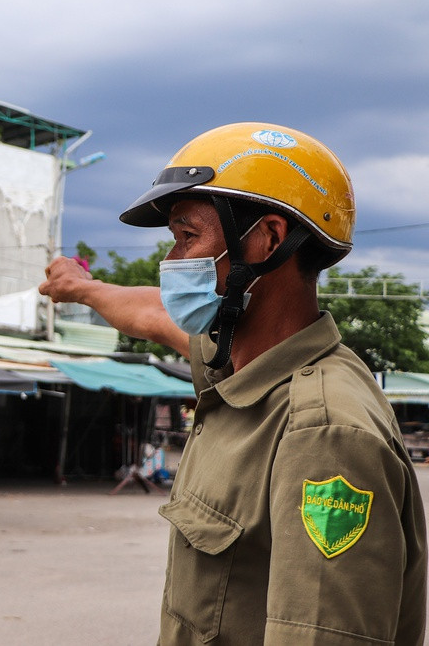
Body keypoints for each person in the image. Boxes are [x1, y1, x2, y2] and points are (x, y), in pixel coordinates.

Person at [40, 123, 427, 644]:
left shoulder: (322, 432)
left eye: (186, 238)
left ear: (267, 239)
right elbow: (152, 314)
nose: (171, 264)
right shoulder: (238, 362)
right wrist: (82, 288)